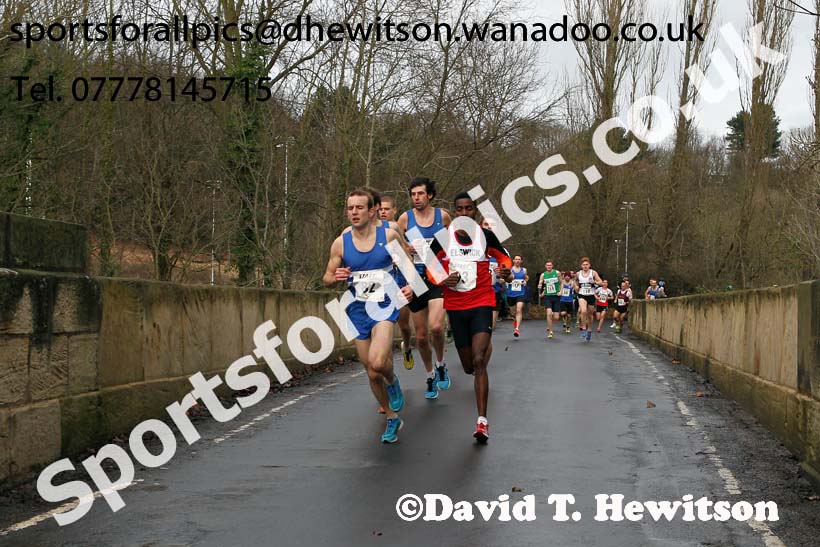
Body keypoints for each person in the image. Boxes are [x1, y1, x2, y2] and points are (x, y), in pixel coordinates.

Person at [323, 189, 414, 443]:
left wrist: (410, 287)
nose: (354, 212)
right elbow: (327, 277)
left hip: (384, 306)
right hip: (356, 309)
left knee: (376, 361)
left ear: (372, 211)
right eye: (350, 208)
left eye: (359, 208)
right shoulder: (341, 242)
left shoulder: (389, 236)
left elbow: (409, 269)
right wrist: (336, 277)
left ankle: (392, 379)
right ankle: (392, 416)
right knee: (372, 372)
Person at [429, 192, 512, 442]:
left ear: (475, 211)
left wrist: (505, 270)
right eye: (460, 210)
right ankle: (482, 344)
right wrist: (442, 279)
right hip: (455, 306)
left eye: (469, 209)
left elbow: (504, 258)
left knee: (478, 362)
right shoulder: (443, 238)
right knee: (467, 367)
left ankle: (482, 422)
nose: (464, 214)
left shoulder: (485, 236)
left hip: (482, 302)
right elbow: (429, 268)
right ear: (454, 212)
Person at [397, 177, 452, 399]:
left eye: (420, 193)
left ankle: (441, 364)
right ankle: (430, 376)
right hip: (416, 277)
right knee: (420, 337)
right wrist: (405, 248)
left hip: (438, 276)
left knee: (437, 327)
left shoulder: (443, 216)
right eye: (413, 194)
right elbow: (395, 247)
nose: (416, 198)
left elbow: (455, 242)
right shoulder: (405, 219)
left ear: (429, 195)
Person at [379, 195, 415, 372]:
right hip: (382, 282)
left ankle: (407, 347)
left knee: (404, 324)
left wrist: (409, 248)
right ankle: (389, 370)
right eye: (380, 209)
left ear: (394, 210)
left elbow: (405, 249)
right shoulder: (371, 229)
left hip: (399, 277)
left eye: (386, 209)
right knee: (386, 326)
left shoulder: (393, 228)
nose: (383, 212)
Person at [482, 216, 507, 331]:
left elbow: (509, 276)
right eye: (486, 224)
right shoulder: (469, 246)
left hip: (493, 291)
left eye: (492, 225)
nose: (489, 227)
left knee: (488, 331)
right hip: (473, 294)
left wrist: (503, 275)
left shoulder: (502, 251)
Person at [574, 257, 603, 342]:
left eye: (587, 264)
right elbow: (575, 282)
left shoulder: (593, 273)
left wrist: (594, 282)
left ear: (589, 265)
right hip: (582, 294)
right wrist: (575, 287)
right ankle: (583, 328)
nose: (585, 266)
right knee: (583, 311)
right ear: (581, 266)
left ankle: (589, 330)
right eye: (584, 265)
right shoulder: (578, 274)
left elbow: (601, 282)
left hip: (591, 295)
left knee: (590, 315)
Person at [537, 260, 562, 339]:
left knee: (556, 317)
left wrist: (560, 291)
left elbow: (562, 283)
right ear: (545, 266)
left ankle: (552, 319)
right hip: (548, 296)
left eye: (550, 265)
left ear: (552, 266)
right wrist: (540, 285)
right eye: (547, 265)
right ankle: (551, 331)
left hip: (556, 296)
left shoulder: (557, 273)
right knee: (548, 313)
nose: (549, 266)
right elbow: (541, 283)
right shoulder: (543, 275)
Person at [506, 256, 528, 338]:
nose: (517, 261)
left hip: (520, 293)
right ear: (513, 260)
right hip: (510, 293)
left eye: (519, 259)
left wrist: (525, 281)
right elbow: (503, 279)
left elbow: (526, 277)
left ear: (521, 261)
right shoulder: (509, 270)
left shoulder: (524, 270)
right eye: (516, 259)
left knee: (519, 310)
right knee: (513, 313)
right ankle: (515, 319)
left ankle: (517, 329)